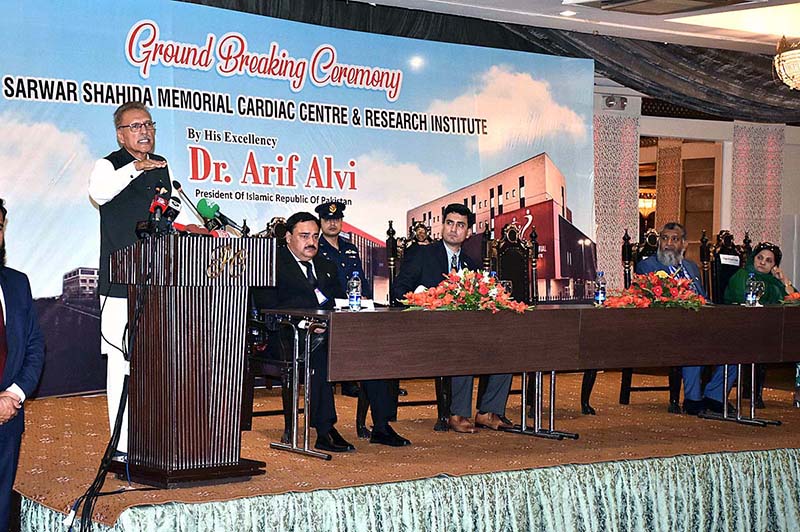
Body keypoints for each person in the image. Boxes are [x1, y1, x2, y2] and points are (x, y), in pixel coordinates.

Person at [257, 212, 410, 451]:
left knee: (374, 349)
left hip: (328, 331)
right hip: (288, 335)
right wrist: (307, 323)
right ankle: (325, 430)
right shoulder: (272, 264)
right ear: (288, 237)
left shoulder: (325, 264)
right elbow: (267, 306)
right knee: (320, 352)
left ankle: (382, 425)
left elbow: (338, 301)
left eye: (315, 236)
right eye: (304, 236)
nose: (311, 242)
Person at [88, 101, 191, 456]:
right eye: (135, 126)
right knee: (122, 361)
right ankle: (121, 442)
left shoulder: (162, 165)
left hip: (156, 281)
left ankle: (151, 436)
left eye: (148, 124)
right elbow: (100, 194)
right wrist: (135, 167)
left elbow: (167, 212)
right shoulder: (108, 165)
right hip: (119, 283)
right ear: (120, 134)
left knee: (153, 359)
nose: (144, 130)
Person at [392, 203, 512, 433]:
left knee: (503, 345)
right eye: (449, 223)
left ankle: (488, 411)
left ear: (468, 232)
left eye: (460, 225)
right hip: (428, 328)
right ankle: (457, 414)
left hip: (462, 330)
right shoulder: (422, 254)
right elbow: (399, 291)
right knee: (462, 346)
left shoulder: (471, 264)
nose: (453, 229)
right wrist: (425, 298)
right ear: (442, 226)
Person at [636, 221, 735, 415]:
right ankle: (693, 399)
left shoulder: (690, 266)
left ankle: (715, 396)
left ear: (684, 244)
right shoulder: (646, 266)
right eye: (664, 238)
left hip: (700, 322)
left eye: (674, 239)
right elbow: (650, 300)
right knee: (693, 342)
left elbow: (703, 298)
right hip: (668, 325)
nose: (668, 243)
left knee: (739, 345)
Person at [0, 199, 45, 532]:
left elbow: (34, 346)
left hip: (8, 419)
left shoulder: (17, 284)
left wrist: (13, 395)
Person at [723, 242, 796, 408]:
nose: (762, 262)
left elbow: (795, 300)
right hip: (740, 326)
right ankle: (753, 393)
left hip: (767, 328)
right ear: (753, 258)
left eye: (769, 261)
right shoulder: (742, 276)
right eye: (760, 258)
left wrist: (784, 281)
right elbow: (746, 302)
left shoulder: (773, 280)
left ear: (774, 265)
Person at [315, 201, 367, 398]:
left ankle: (361, 377)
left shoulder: (350, 247)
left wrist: (367, 297)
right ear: (321, 222)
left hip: (354, 303)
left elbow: (360, 276)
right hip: (331, 305)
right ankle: (345, 380)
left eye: (336, 219)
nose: (332, 224)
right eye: (328, 220)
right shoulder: (316, 247)